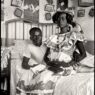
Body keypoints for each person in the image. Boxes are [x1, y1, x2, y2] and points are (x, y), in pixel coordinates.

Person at [44, 10, 87, 74]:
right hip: (53, 67)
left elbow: (83, 55)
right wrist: (50, 63)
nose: (60, 21)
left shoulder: (74, 35)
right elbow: (45, 57)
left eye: (63, 18)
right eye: (58, 18)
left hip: (67, 66)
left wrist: (70, 63)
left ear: (68, 21)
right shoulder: (53, 37)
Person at [16, 27, 47, 95]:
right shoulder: (29, 47)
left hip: (46, 67)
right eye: (34, 36)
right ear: (31, 38)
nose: (37, 38)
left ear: (42, 36)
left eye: (39, 35)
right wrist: (33, 66)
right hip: (35, 68)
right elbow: (24, 64)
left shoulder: (46, 45)